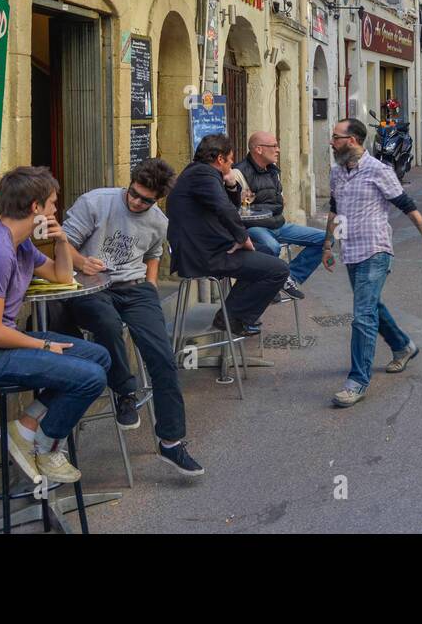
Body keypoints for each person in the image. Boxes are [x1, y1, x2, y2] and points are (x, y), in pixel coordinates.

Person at [0, 166, 111, 485]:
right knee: (91, 377)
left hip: (0, 343)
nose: (56, 210)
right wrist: (43, 346)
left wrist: (61, 240)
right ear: (35, 207)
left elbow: (60, 276)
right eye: (53, 204)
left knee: (100, 356)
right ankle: (45, 449)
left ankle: (24, 428)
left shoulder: (20, 244)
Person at [64, 159, 204, 476]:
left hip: (136, 287)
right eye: (134, 194)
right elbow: (62, 243)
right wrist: (82, 262)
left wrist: (152, 286)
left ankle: (171, 442)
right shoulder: (96, 202)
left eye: (146, 200)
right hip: (89, 286)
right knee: (109, 325)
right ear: (130, 184)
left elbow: (153, 254)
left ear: (158, 199)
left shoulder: (158, 221)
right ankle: (125, 391)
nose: (137, 202)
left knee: (163, 356)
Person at [323, 118, 422, 408]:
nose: (331, 142)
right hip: (350, 250)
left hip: (376, 249)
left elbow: (406, 205)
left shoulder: (379, 170)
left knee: (362, 315)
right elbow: (335, 210)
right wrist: (327, 244)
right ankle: (403, 346)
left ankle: (357, 381)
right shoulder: (337, 172)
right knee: (372, 305)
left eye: (336, 137)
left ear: (352, 140)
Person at [167, 134, 298, 339]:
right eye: (229, 160)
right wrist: (241, 238)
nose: (231, 164)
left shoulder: (200, 174)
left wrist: (230, 185)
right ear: (220, 159)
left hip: (209, 248)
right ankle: (234, 317)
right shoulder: (203, 174)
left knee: (265, 254)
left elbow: (229, 206)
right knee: (278, 270)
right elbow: (223, 208)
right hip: (204, 255)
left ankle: (232, 315)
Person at [235, 131, 326, 296]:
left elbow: (281, 201)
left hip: (278, 224)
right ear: (258, 149)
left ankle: (288, 277)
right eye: (273, 146)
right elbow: (236, 209)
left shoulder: (273, 171)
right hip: (254, 227)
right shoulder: (238, 173)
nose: (278, 150)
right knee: (272, 247)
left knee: (325, 238)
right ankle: (272, 281)